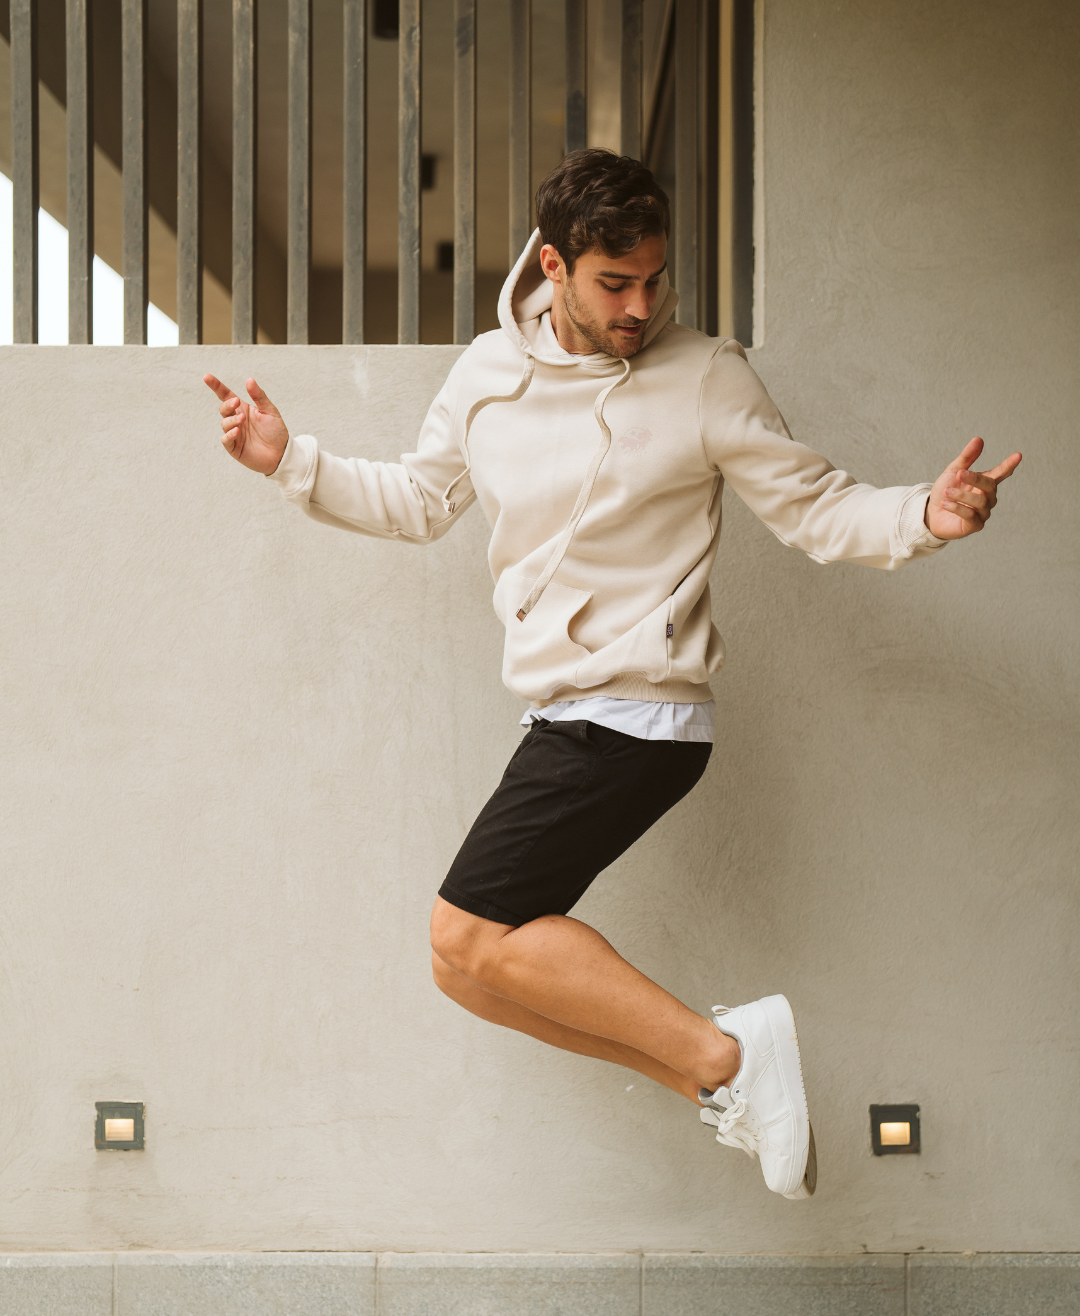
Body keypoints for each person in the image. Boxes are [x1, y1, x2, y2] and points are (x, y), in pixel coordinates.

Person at [204, 149, 1020, 1201]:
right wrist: (291, 462)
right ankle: (713, 1079)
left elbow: (816, 508)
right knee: (465, 971)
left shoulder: (705, 375)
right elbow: (419, 500)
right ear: (553, 265)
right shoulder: (487, 376)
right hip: (565, 711)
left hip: (640, 713)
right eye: (614, 283)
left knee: (465, 929)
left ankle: (732, 1053)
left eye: (654, 280)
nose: (640, 306)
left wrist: (925, 515)